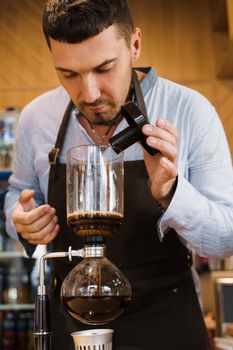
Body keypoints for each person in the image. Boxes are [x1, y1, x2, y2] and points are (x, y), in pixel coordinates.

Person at [4, 0, 233, 349]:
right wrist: (19, 220)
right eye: (69, 74)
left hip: (167, 321)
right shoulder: (37, 118)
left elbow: (225, 239)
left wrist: (170, 189)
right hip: (71, 320)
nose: (90, 93)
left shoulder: (191, 110)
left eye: (104, 68)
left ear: (135, 44)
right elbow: (17, 195)